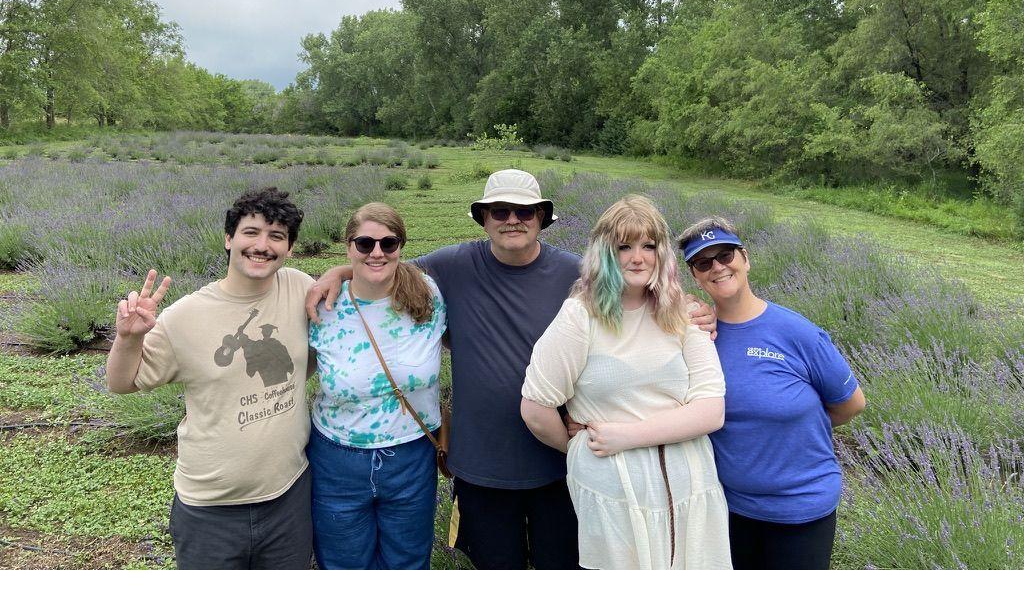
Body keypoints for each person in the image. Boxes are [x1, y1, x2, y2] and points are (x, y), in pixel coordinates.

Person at [307, 169, 717, 571]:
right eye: (500, 211)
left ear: (541, 218)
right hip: (482, 463)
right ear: (483, 219)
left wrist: (692, 313)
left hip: (559, 459)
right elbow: (383, 265)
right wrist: (338, 271)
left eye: (525, 211)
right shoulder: (452, 265)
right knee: (495, 565)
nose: (512, 220)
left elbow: (637, 299)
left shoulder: (578, 276)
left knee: (563, 565)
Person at [105, 186, 316, 570]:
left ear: (289, 249)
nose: (262, 246)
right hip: (211, 509)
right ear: (229, 238)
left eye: (276, 236)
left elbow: (307, 361)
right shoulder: (185, 317)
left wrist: (344, 267)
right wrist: (128, 338)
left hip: (290, 496)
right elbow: (122, 382)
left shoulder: (300, 287)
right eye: (251, 232)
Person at [520, 196, 731, 570]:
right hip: (614, 491)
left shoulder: (682, 313)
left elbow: (711, 410)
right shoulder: (580, 316)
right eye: (625, 247)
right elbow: (537, 407)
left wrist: (626, 436)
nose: (638, 257)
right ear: (605, 253)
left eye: (649, 246)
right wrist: (579, 446)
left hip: (690, 487)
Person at [678, 216, 867, 570]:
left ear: (745, 258)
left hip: (800, 510)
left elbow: (851, 404)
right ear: (695, 276)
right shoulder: (697, 336)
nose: (718, 267)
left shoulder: (796, 332)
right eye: (704, 262)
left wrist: (792, 430)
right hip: (729, 509)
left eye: (726, 255)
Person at [306, 202, 446, 570]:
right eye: (365, 244)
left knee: (408, 562)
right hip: (338, 458)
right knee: (343, 563)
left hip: (411, 456)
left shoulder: (428, 294)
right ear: (348, 246)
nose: (377, 252)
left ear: (401, 246)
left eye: (389, 243)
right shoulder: (322, 305)